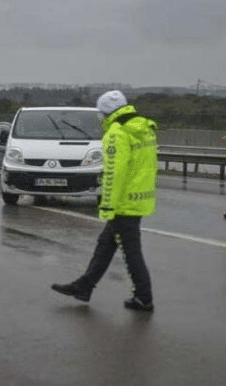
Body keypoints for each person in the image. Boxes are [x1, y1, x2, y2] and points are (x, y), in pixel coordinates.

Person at [51, 90, 158, 311]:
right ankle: (84, 286)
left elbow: (113, 173)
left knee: (131, 252)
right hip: (139, 197)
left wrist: (107, 204)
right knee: (105, 245)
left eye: (101, 113)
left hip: (123, 202)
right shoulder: (144, 128)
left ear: (107, 112)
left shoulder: (116, 133)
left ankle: (143, 297)